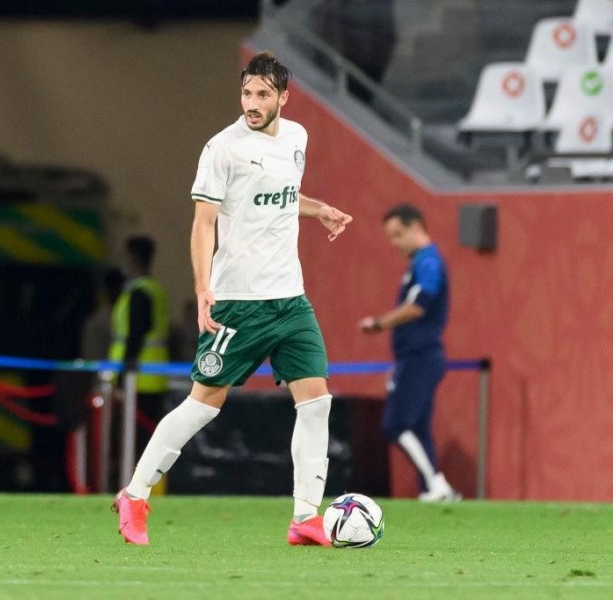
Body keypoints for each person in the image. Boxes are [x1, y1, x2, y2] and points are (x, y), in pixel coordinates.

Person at [112, 51, 353, 546]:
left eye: (263, 94)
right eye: (247, 93)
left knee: (316, 403)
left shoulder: (297, 138)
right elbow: (204, 223)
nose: (252, 103)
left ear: (284, 97)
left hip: (291, 300)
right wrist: (203, 287)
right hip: (240, 302)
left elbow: (283, 197)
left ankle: (305, 516)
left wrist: (318, 209)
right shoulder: (222, 149)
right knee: (204, 405)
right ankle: (135, 494)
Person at [358, 203, 459, 502]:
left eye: (398, 234)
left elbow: (419, 304)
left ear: (416, 227)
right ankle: (431, 490)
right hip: (418, 356)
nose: (395, 243)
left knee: (395, 424)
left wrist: (378, 324)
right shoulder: (420, 262)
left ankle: (437, 484)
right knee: (417, 426)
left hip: (420, 357)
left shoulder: (428, 262)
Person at [108, 236, 170, 455]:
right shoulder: (154, 289)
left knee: (136, 444)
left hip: (138, 379)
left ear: (133, 258)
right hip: (152, 377)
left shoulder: (139, 293)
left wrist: (122, 378)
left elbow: (135, 336)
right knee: (147, 441)